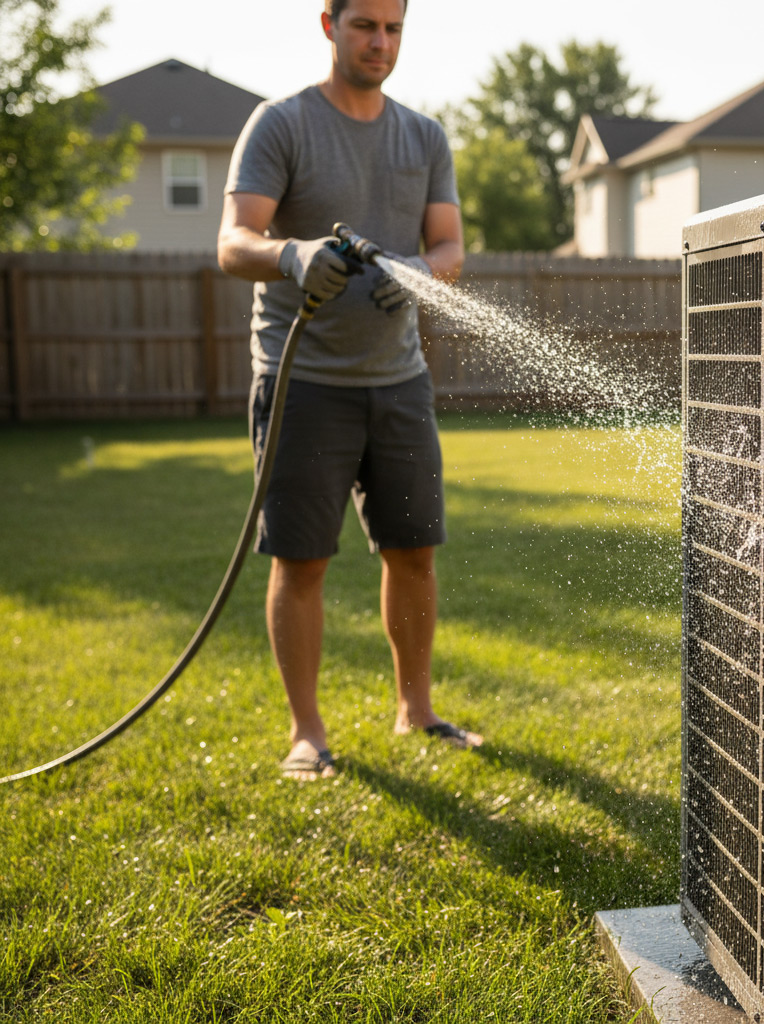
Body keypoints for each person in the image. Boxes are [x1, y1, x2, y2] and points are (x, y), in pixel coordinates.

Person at [218, 0, 482, 780]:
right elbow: (234, 243)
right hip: (304, 382)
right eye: (365, 25)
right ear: (328, 24)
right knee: (301, 562)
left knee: (415, 554)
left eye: (394, 28)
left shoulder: (424, 135)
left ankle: (417, 709)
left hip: (399, 382)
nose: (381, 42)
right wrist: (293, 255)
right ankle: (308, 732)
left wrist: (421, 274)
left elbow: (449, 246)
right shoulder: (282, 124)